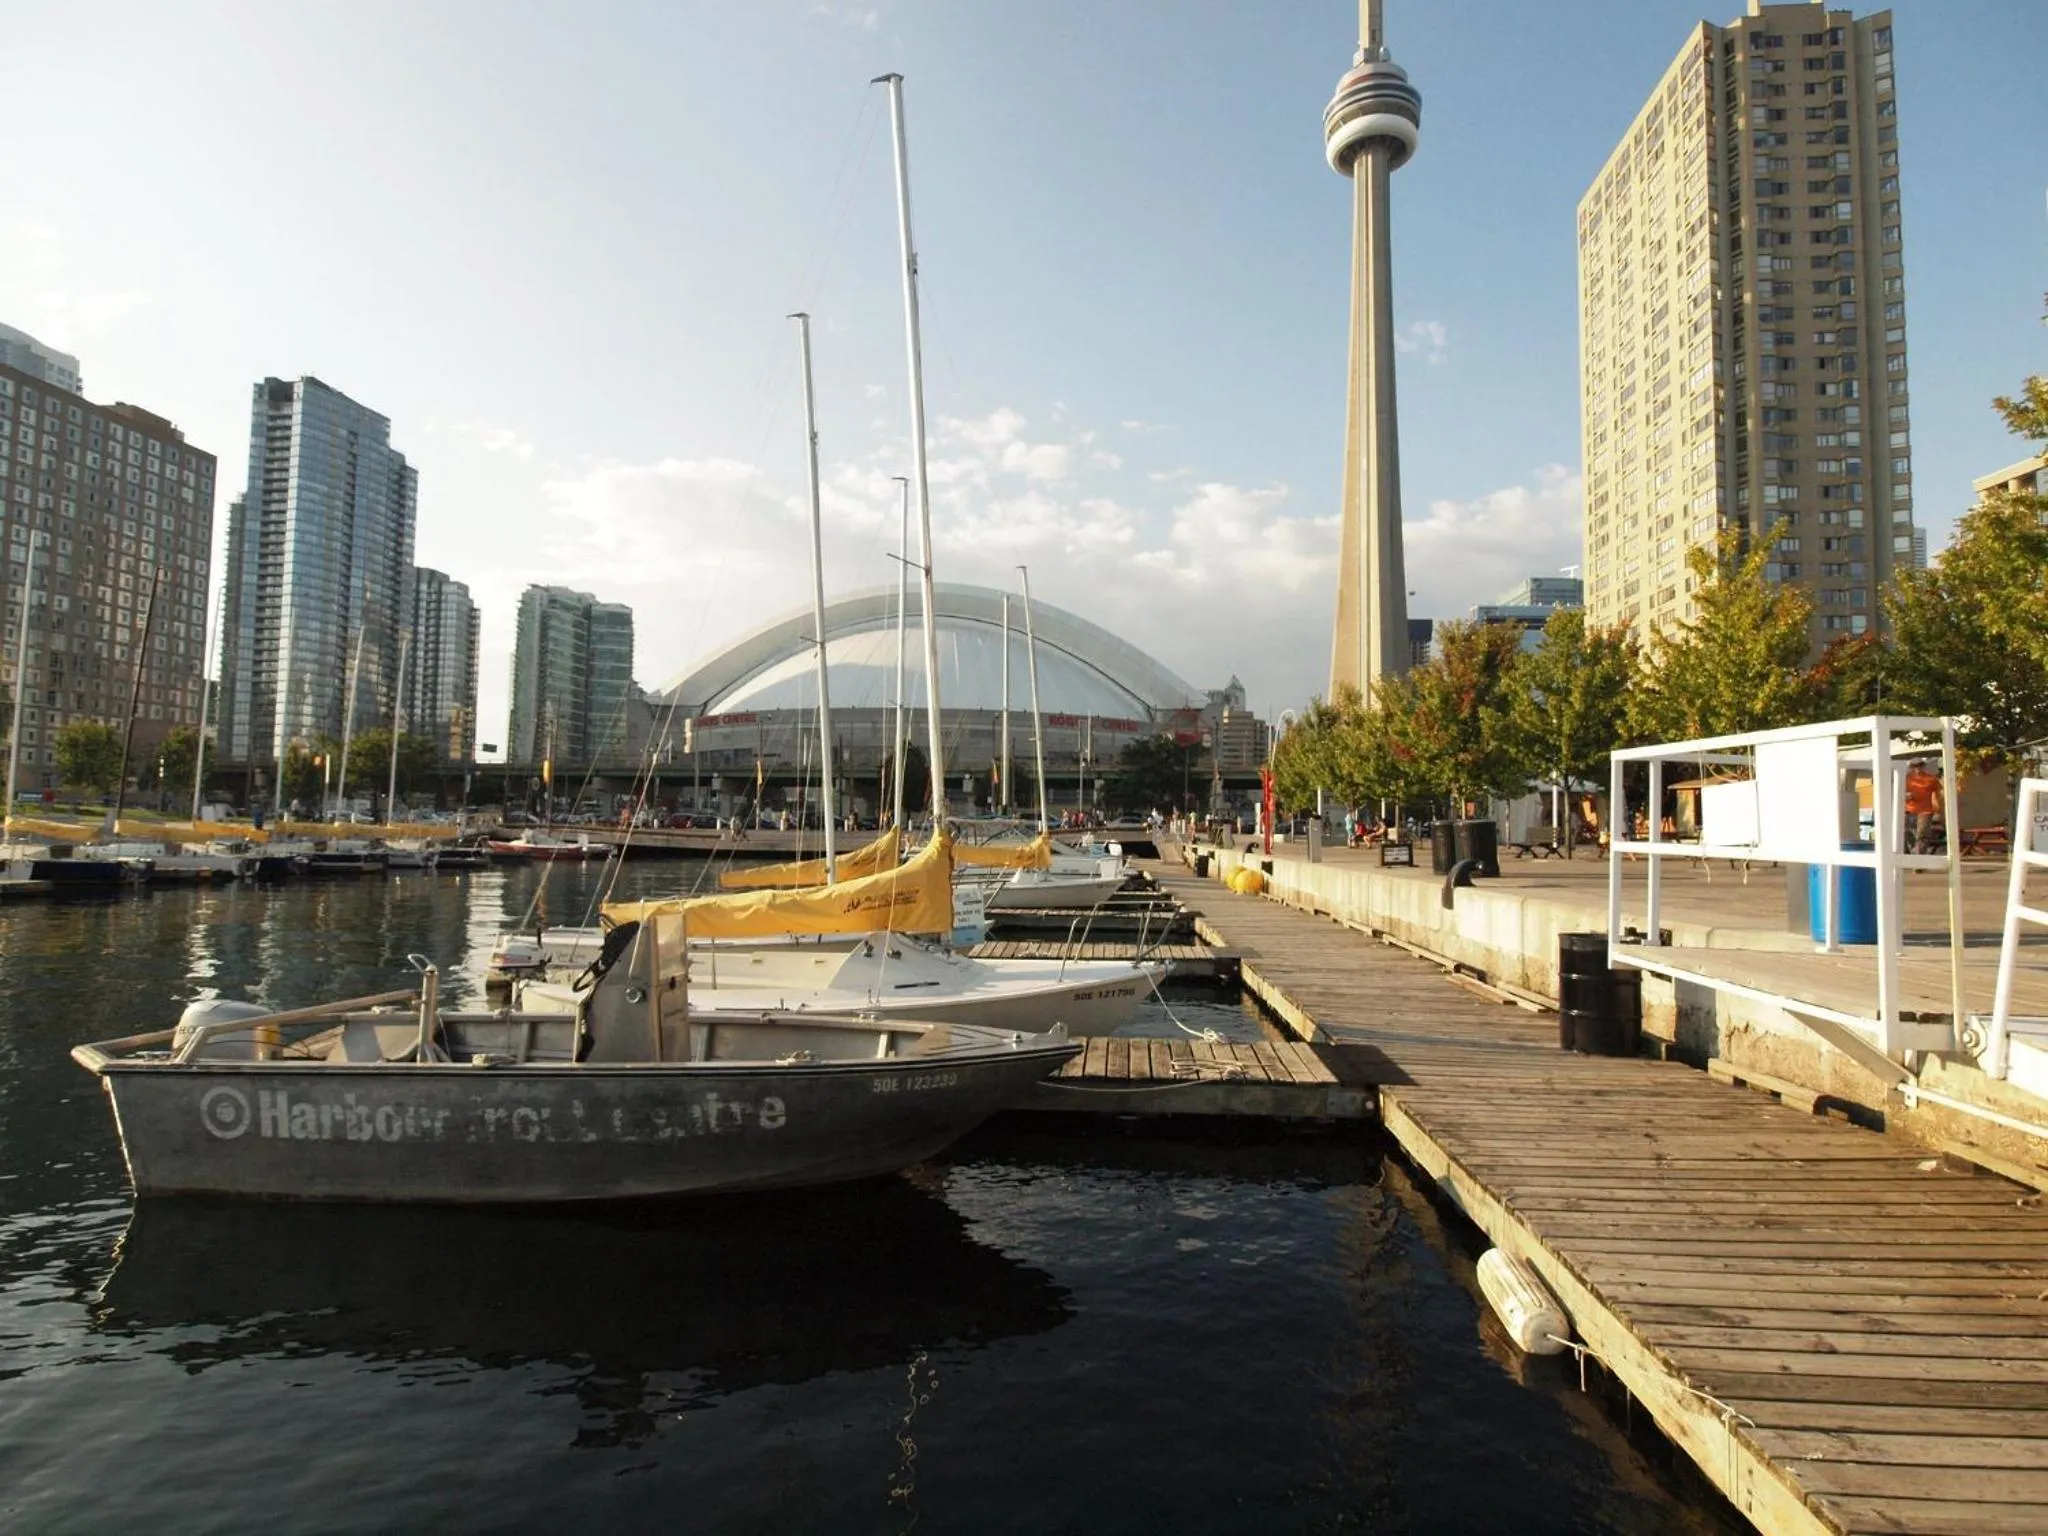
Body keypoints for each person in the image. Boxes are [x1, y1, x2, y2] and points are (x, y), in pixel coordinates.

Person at [1905, 762, 1944, 854]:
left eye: (1919, 765)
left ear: (1923, 766)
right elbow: (1898, 792)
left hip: (1925, 811)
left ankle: (1919, 858)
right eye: (1915, 766)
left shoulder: (1931, 778)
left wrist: (1940, 808)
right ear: (1911, 767)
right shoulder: (1906, 778)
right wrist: (1905, 795)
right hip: (1909, 810)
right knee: (1908, 833)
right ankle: (1914, 854)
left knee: (1922, 834)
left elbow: (1938, 794)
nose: (1917, 768)